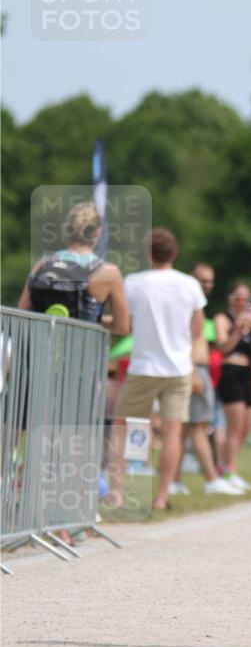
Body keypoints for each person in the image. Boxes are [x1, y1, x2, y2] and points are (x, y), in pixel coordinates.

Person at [106, 228, 206, 511]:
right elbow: (197, 327)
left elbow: (125, 323)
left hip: (143, 365)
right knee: (172, 431)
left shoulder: (134, 282)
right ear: (174, 253)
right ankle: (162, 496)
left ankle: (117, 493)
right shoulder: (189, 284)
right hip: (178, 367)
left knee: (121, 426)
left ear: (148, 253)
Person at [170, 263, 242, 497]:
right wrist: (192, 371)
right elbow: (184, 341)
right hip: (193, 370)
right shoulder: (188, 305)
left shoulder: (196, 305)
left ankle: (174, 479)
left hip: (196, 369)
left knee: (182, 430)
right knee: (199, 427)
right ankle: (212, 479)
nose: (207, 285)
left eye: (209, 280)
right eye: (202, 280)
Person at [18, 201, 129, 336]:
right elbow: (122, 328)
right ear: (98, 233)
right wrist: (95, 319)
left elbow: (21, 312)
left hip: (41, 351)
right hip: (82, 353)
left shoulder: (43, 264)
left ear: (67, 229)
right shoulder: (109, 272)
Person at [214, 282, 251, 492]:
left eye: (246, 300)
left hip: (248, 373)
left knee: (246, 428)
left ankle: (226, 464)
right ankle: (228, 470)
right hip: (231, 372)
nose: (242, 304)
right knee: (234, 427)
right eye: (238, 299)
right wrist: (238, 330)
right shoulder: (223, 319)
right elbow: (223, 347)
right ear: (230, 300)